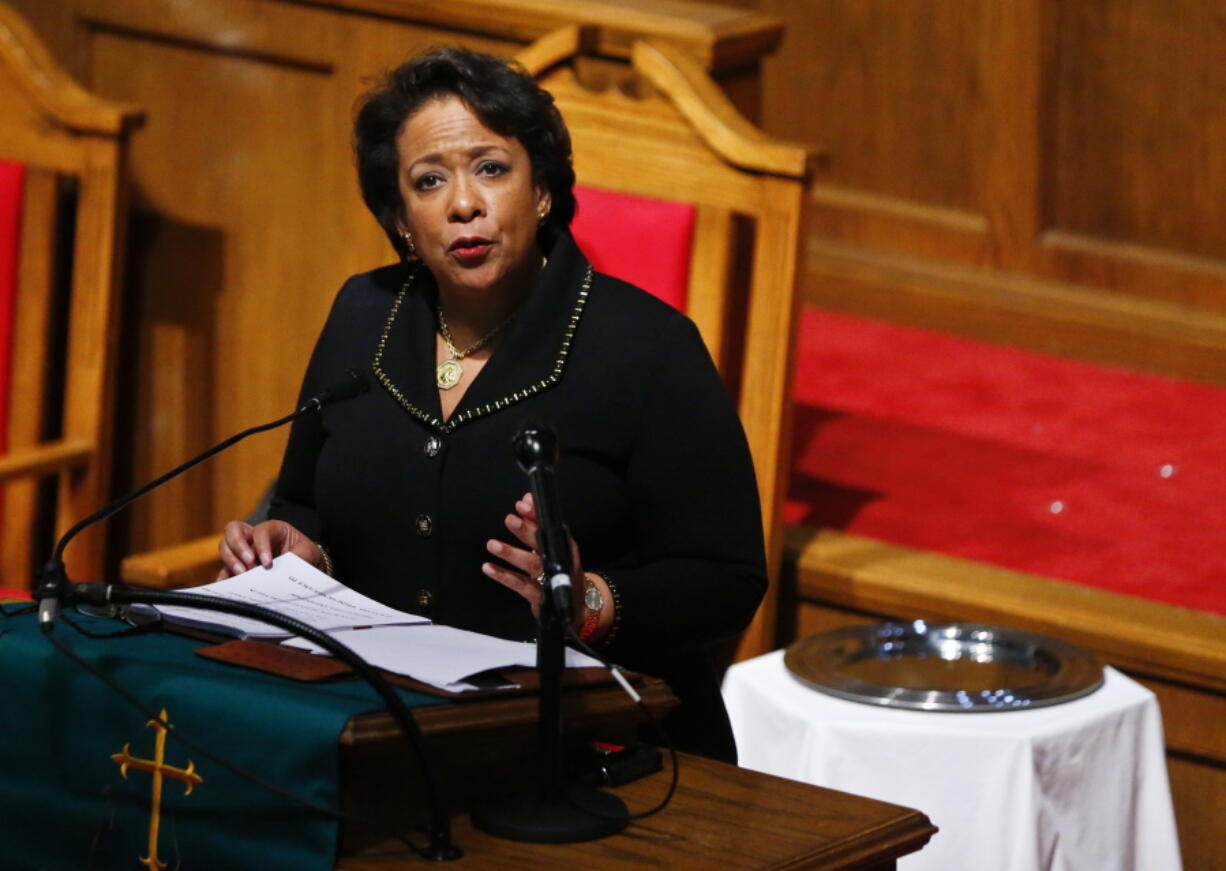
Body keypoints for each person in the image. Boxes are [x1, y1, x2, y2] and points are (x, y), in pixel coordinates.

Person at [217, 47, 765, 762]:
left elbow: (726, 578)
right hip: (380, 725)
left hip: (591, 749)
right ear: (401, 216)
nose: (463, 203)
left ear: (542, 189)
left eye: (491, 168)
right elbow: (302, 501)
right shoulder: (363, 313)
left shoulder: (648, 347)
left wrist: (589, 598)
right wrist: (295, 548)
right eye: (429, 180)